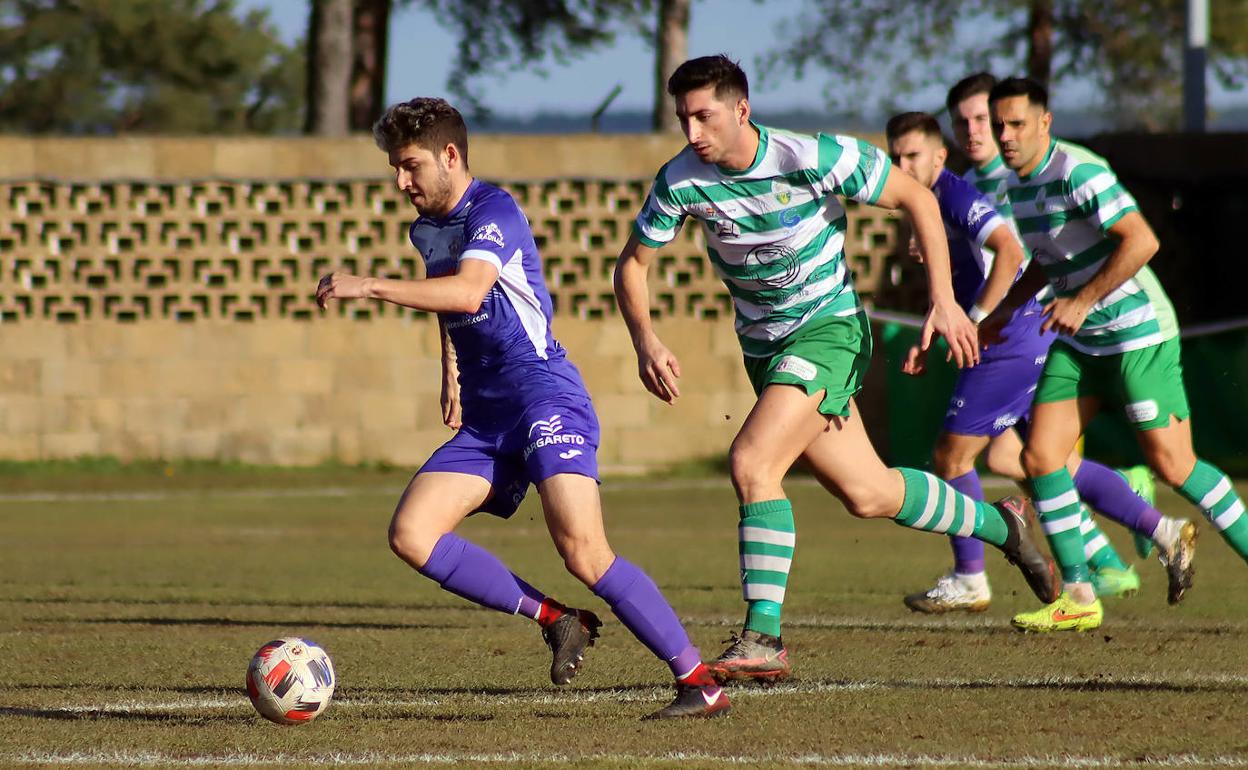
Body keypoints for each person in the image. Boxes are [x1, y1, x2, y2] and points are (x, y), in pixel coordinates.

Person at [613, 55, 1057, 683]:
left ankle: (764, 636)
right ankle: (1001, 524)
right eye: (683, 119)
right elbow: (632, 265)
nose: (693, 133)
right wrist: (646, 340)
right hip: (766, 350)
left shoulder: (811, 156)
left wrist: (944, 298)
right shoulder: (681, 180)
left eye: (704, 116)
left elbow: (916, 200)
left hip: (829, 330)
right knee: (869, 493)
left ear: (741, 109)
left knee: (752, 463)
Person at [316, 97, 728, 718]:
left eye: (410, 166)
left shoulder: (495, 210)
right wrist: (450, 370)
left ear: (450, 156)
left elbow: (469, 288)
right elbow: (445, 303)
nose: (401, 182)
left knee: (584, 550)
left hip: (543, 397)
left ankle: (699, 680)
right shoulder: (425, 229)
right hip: (486, 414)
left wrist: (368, 284)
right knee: (412, 534)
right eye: (395, 169)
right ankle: (558, 618)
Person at [885, 105, 1194, 614]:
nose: (903, 165)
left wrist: (980, 318)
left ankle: (970, 577)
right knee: (1027, 460)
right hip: (1022, 333)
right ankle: (1162, 530)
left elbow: (1009, 251)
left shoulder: (954, 193)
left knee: (951, 456)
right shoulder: (928, 204)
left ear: (940, 156)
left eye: (913, 155)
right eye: (895, 157)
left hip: (1011, 339)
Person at [982, 77, 1248, 632]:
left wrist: (1080, 300)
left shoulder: (1078, 170)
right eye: (998, 124)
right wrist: (1005, 310)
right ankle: (1079, 596)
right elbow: (1047, 257)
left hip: (1136, 335)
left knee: (1172, 464)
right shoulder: (1018, 185)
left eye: (1016, 124)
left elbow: (1142, 241)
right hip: (1081, 343)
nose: (1005, 136)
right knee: (1041, 458)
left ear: (1045, 123)